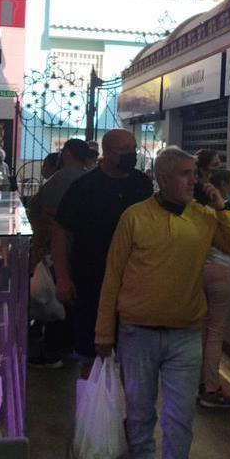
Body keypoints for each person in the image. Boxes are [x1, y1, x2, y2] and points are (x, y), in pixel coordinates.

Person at [95, 146, 230, 459]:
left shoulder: (203, 218)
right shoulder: (134, 218)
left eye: (195, 174)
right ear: (162, 178)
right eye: (185, 174)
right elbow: (112, 277)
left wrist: (222, 205)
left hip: (184, 335)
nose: (194, 180)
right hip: (137, 333)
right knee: (141, 414)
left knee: (180, 421)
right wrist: (103, 334)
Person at [52, 130, 153, 359]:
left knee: (134, 356)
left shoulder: (142, 184)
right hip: (90, 282)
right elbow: (60, 231)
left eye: (133, 149)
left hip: (134, 284)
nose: (131, 155)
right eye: (123, 151)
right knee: (92, 353)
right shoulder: (84, 187)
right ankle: (92, 394)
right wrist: (63, 278)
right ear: (106, 153)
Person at [26, 140, 92, 367]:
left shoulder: (61, 179)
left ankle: (53, 350)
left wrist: (40, 247)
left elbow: (48, 215)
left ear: (67, 154)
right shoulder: (88, 177)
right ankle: (68, 345)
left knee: (56, 297)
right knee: (71, 298)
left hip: (58, 248)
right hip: (80, 249)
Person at [196, 169, 230, 409]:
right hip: (222, 273)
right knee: (215, 333)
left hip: (202, 271)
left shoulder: (198, 209)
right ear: (223, 184)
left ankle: (201, 380)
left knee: (204, 331)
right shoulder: (221, 210)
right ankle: (211, 388)